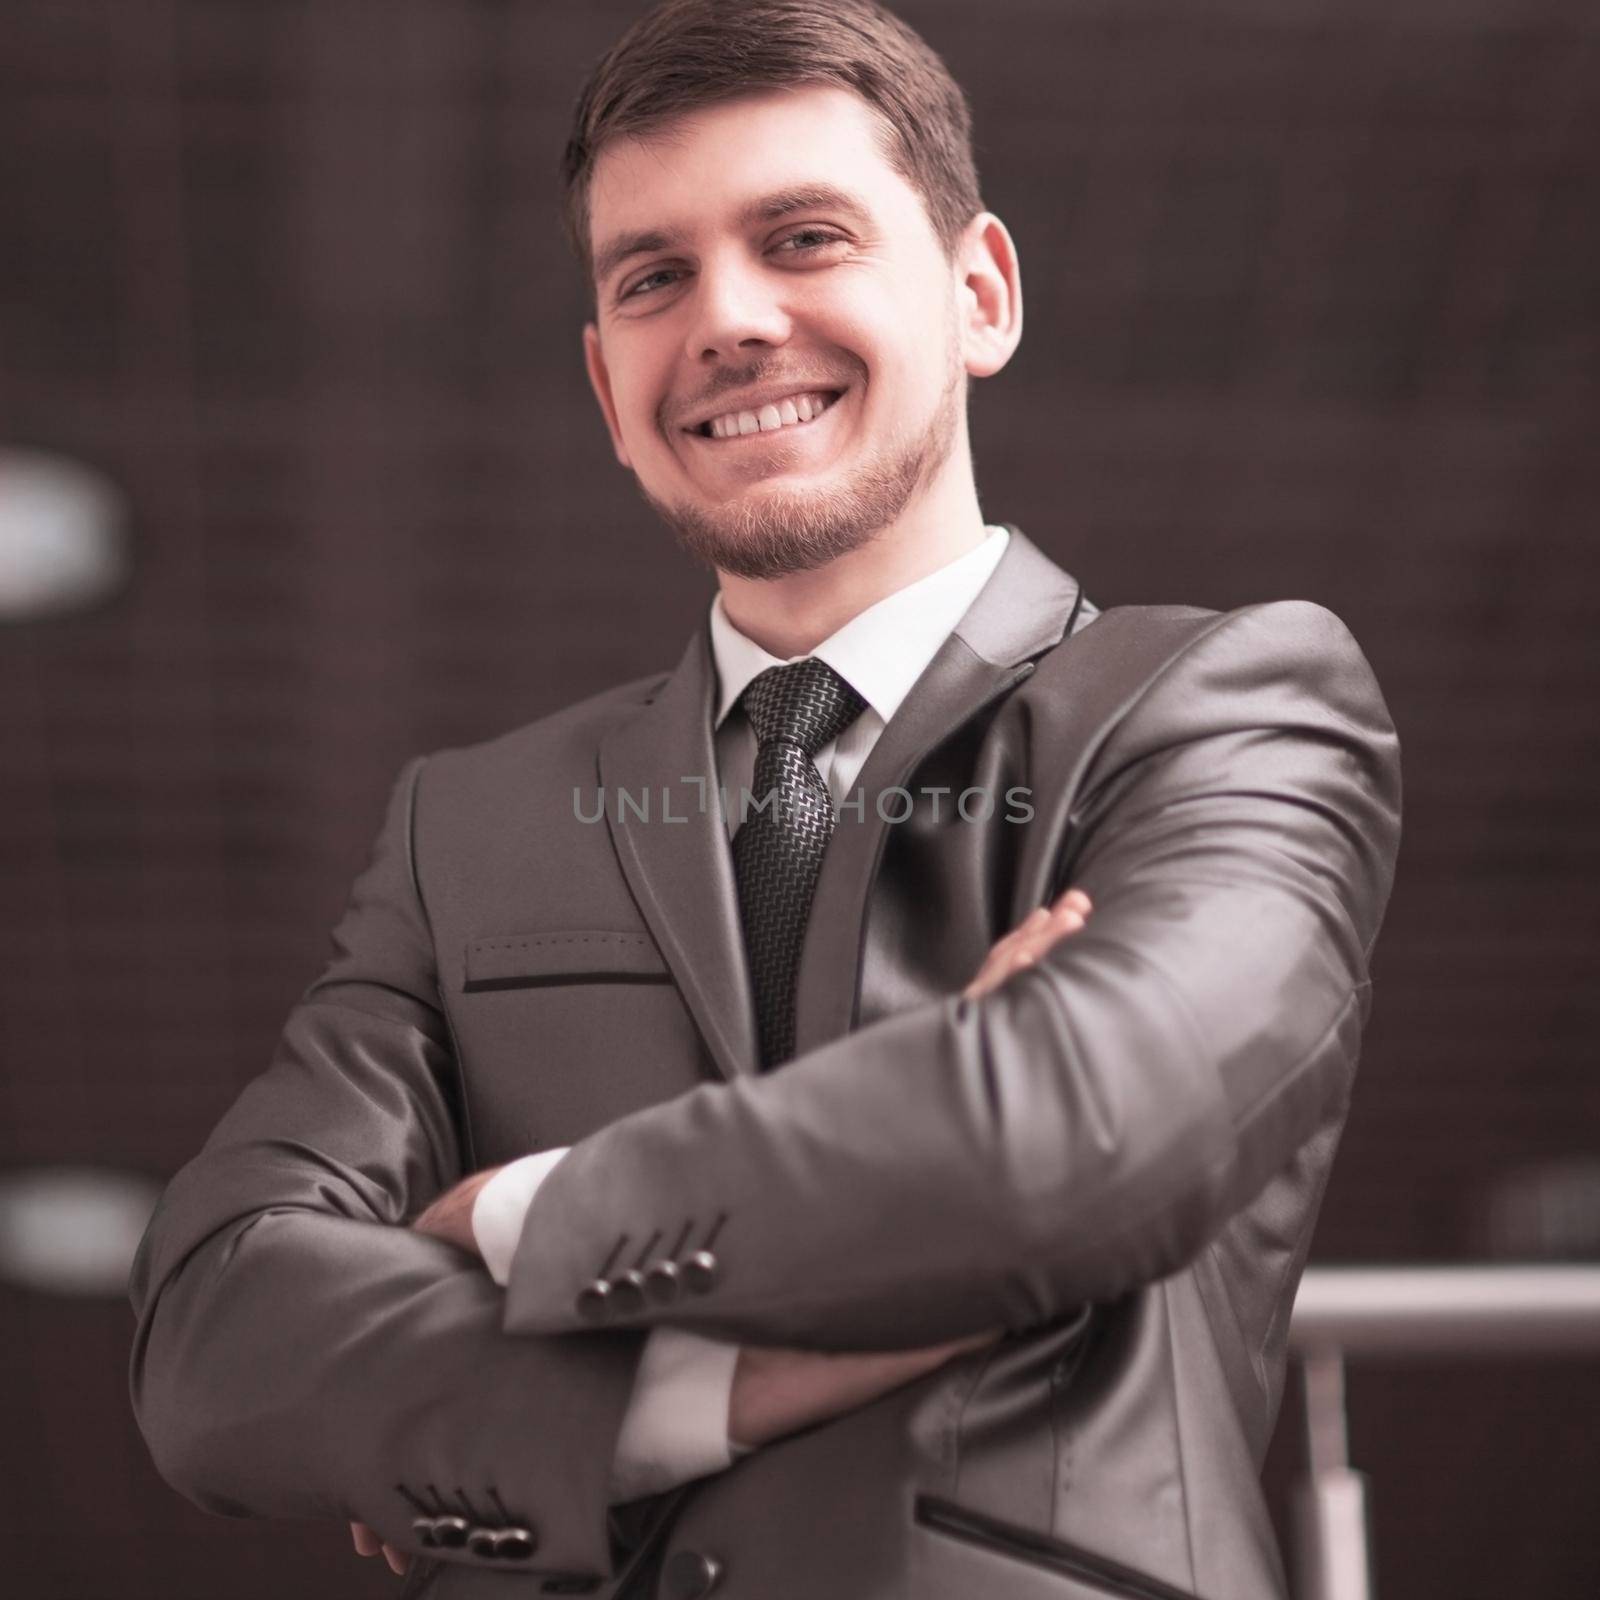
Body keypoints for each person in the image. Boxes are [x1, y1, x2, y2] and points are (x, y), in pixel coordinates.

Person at [127, 2, 1402, 1596]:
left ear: (980, 294)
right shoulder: (470, 827)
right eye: (653, 277)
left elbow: (1079, 1127)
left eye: (803, 237)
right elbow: (213, 1327)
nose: (728, 318)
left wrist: (513, 1218)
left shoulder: (1222, 708)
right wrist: (695, 1392)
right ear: (608, 388)